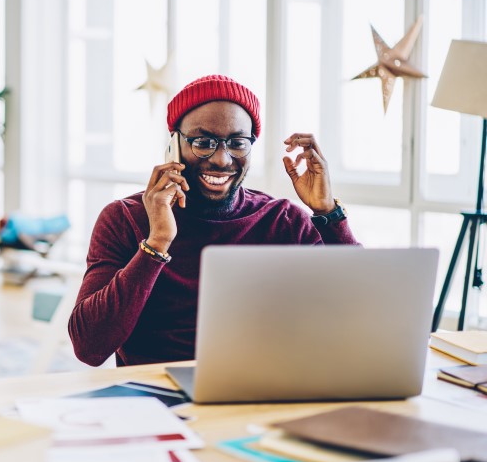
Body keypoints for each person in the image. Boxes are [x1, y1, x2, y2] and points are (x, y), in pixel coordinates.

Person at [68, 75, 358, 367]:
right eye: (203, 142)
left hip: (263, 389)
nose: (222, 159)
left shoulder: (283, 221)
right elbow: (89, 347)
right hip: (156, 395)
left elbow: (358, 313)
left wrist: (328, 213)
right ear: (174, 145)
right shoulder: (124, 218)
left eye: (237, 142)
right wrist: (156, 243)